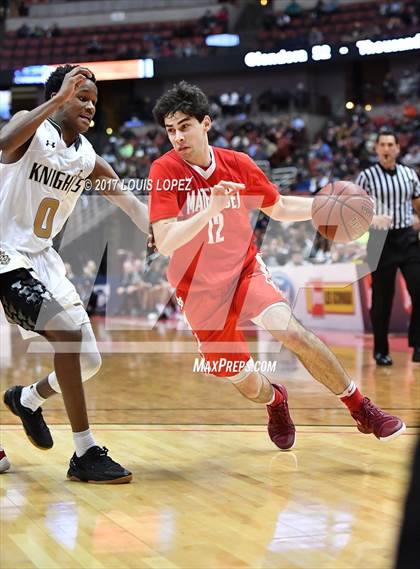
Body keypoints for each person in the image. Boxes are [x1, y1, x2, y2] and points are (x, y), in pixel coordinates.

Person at [148, 82, 405, 451]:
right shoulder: (164, 171)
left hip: (243, 271)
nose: (177, 137)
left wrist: (321, 207)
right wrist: (211, 209)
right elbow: (167, 240)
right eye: (170, 130)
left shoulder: (237, 163)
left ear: (205, 123)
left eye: (184, 126)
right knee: (248, 384)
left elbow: (279, 207)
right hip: (199, 290)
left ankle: (360, 407)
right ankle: (276, 401)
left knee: (291, 331)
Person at [0, 65, 149, 483]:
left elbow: (134, 208)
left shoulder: (87, 157)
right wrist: (56, 100)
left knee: (87, 360)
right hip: (4, 253)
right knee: (65, 335)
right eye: (80, 97)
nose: (89, 106)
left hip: (41, 259)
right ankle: (84, 452)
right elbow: (2, 144)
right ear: (60, 96)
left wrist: (162, 231)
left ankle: (27, 400)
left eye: (93, 102)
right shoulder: (29, 129)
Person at [356, 130, 420, 365]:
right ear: (376, 149)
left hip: (407, 239)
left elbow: (417, 204)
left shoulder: (409, 174)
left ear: (397, 148)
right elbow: (355, 209)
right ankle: (381, 350)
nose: (386, 148)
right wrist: (372, 220)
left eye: (390, 144)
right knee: (382, 300)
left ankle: (417, 344)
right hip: (379, 240)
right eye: (382, 144)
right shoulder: (366, 176)